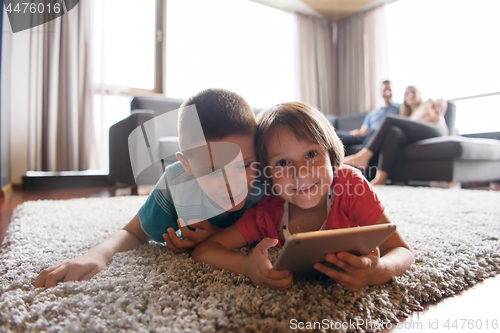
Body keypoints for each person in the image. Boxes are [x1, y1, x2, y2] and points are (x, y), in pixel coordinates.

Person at [35, 88, 266, 288]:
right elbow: (133, 232)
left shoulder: (267, 180)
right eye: (212, 171)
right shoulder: (176, 186)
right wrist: (98, 254)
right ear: (187, 165)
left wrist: (215, 236)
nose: (231, 183)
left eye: (244, 165)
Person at [191, 102, 414, 292]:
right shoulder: (268, 213)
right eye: (283, 162)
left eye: (310, 154)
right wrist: (246, 266)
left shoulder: (349, 184)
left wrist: (376, 272)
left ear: (330, 154)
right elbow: (205, 250)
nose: (301, 172)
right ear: (267, 174)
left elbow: (402, 251)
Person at [344, 86, 448, 185]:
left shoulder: (427, 103)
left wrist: (438, 104)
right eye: (407, 94)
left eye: (413, 92)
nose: (410, 95)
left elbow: (437, 112)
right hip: (419, 134)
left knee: (389, 119)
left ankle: (364, 156)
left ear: (419, 94)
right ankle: (381, 178)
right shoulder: (409, 115)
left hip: (437, 129)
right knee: (393, 132)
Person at [336, 80, 400, 148]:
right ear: (380, 92)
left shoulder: (399, 108)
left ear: (394, 91)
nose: (387, 93)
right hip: (367, 136)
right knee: (335, 134)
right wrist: (357, 132)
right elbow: (363, 132)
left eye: (389, 90)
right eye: (384, 90)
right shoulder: (372, 113)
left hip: (380, 136)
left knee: (373, 133)